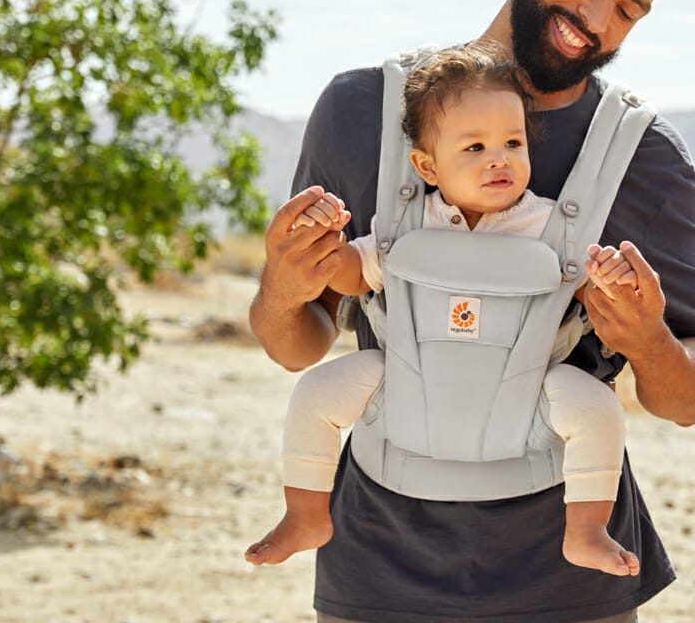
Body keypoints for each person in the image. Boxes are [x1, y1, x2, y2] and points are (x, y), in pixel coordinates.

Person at [250, 0, 695, 623]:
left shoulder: (645, 161)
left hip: (567, 588)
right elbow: (297, 346)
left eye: (630, 9)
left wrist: (649, 341)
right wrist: (282, 287)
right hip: (379, 568)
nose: (597, 21)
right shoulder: (360, 114)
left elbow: (691, 396)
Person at [244, 43, 644, 576]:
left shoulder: (551, 228)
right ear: (427, 166)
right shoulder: (406, 226)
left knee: (598, 409)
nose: (499, 158)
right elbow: (350, 274)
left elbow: (585, 294)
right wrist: (323, 242)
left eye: (512, 142)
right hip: (404, 381)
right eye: (474, 147)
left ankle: (587, 529)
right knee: (315, 393)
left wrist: (613, 282)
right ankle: (306, 514)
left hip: (529, 393)